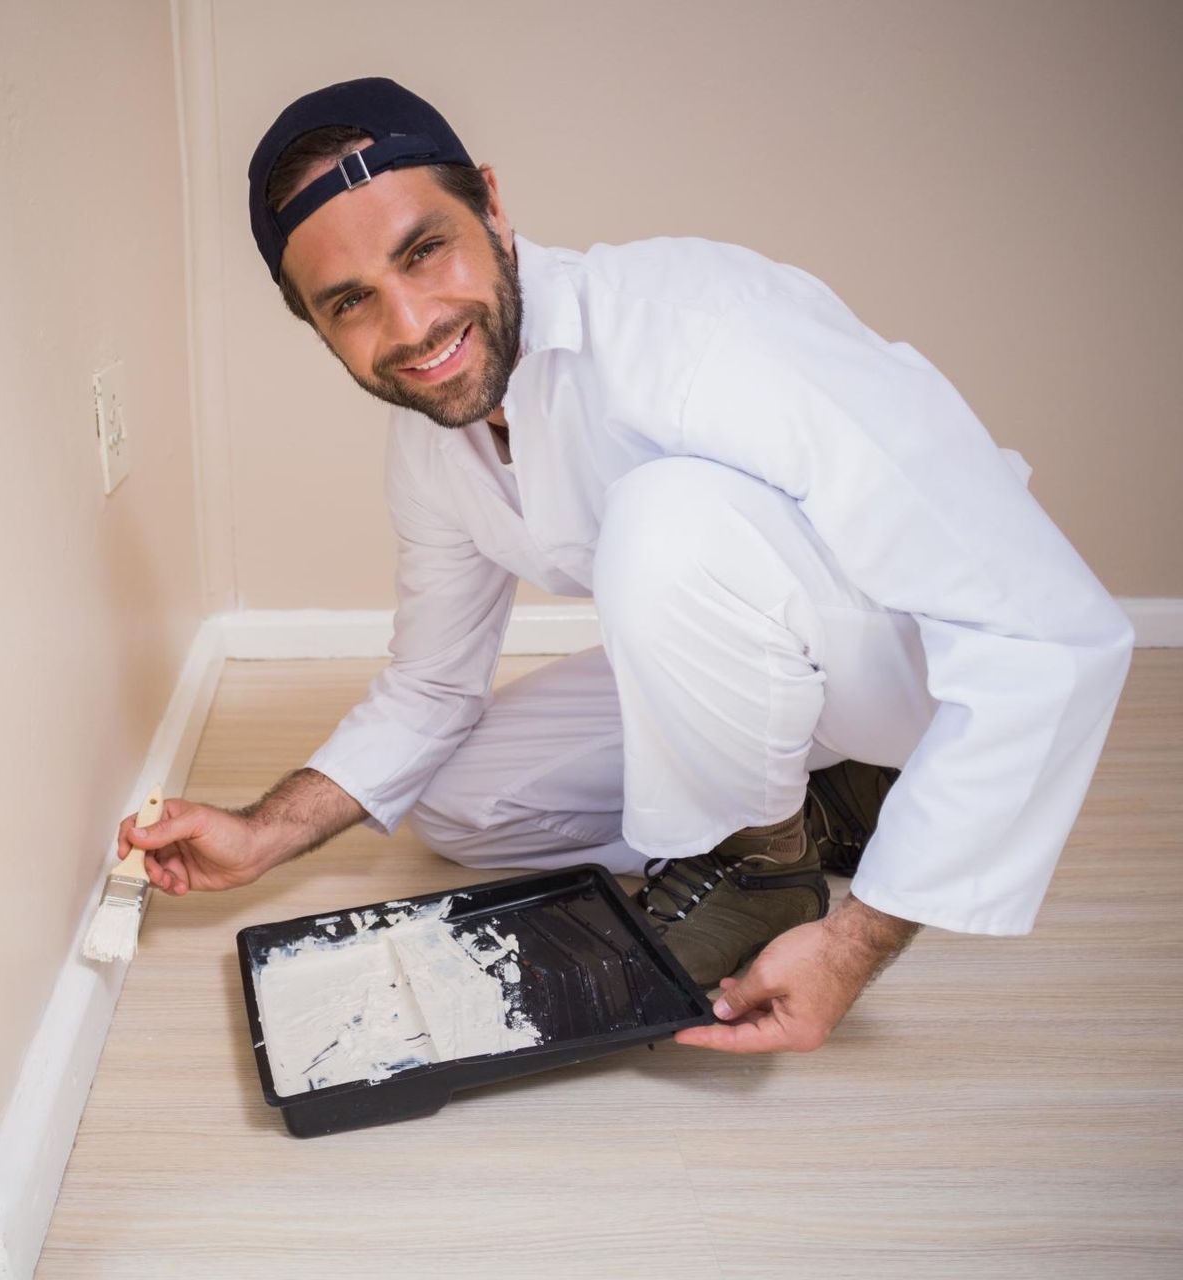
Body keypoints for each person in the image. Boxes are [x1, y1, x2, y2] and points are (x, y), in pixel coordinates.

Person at [115, 78, 1134, 1054]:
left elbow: (1052, 632)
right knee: (460, 799)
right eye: (351, 302)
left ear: (493, 205)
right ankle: (828, 805)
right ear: (316, 325)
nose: (412, 325)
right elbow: (431, 689)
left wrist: (857, 941)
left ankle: (760, 868)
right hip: (761, 674)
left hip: (910, 671)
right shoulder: (433, 442)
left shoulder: (697, 324)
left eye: (425, 250)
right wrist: (261, 833)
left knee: (662, 514)